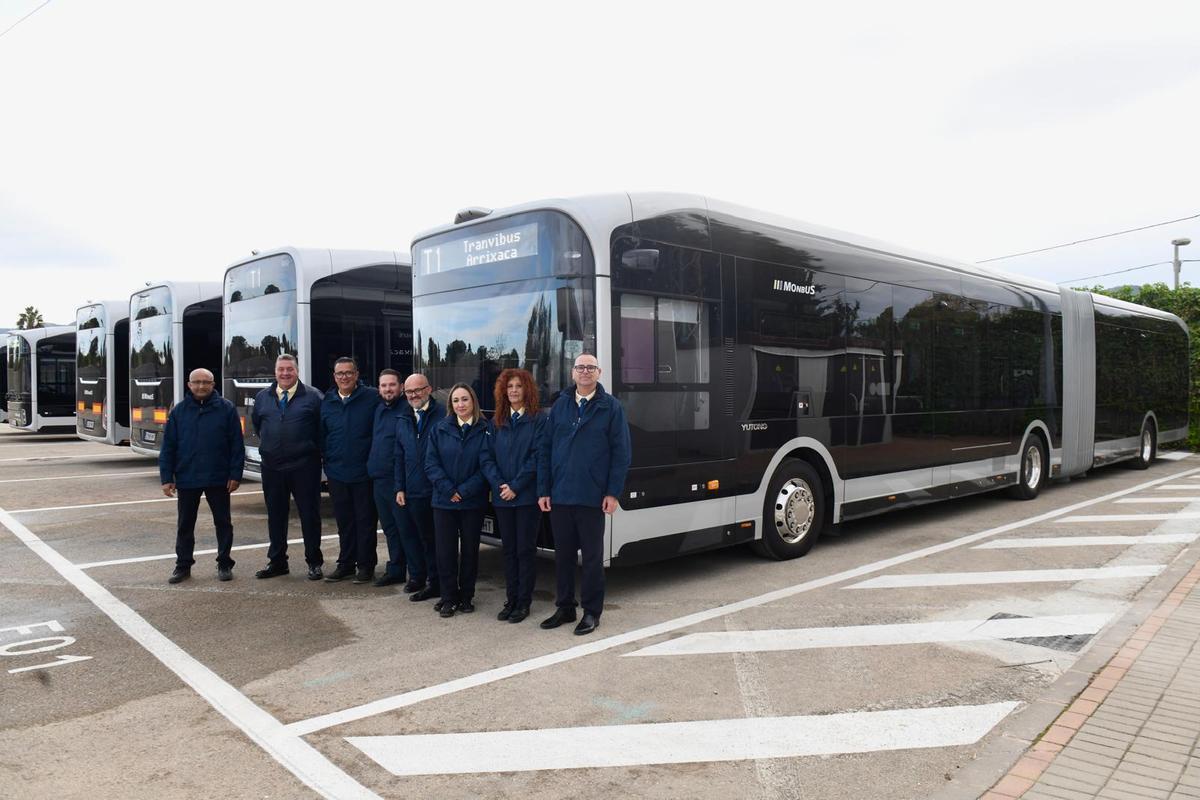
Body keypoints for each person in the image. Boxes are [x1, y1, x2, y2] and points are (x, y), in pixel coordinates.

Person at [538, 354, 631, 636]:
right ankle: (565, 607)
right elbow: (545, 449)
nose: (585, 372)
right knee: (563, 556)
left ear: (599, 373)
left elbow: (621, 454)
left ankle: (592, 612)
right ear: (573, 372)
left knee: (591, 559)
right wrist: (544, 489)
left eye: (591, 367)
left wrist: (613, 493)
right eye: (580, 367)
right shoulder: (560, 405)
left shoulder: (610, 407)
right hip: (561, 495)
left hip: (592, 497)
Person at [158, 368, 244, 584]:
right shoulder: (179, 412)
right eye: (196, 382)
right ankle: (183, 565)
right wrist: (166, 477)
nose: (201, 386)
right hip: (187, 477)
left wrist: (235, 474)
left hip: (219, 477)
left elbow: (236, 445)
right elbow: (168, 447)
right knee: (185, 525)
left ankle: (224, 563)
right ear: (189, 385)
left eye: (206, 382)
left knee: (223, 522)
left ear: (213, 384)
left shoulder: (226, 409)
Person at [252, 353, 325, 580]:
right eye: (281, 369)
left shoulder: (314, 397)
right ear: (275, 372)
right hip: (272, 467)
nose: (285, 373)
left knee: (309, 516)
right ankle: (277, 562)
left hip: (304, 467)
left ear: (297, 371)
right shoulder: (263, 397)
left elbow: (323, 431)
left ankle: (314, 562)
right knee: (276, 516)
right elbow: (258, 425)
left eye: (289, 369)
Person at [482, 368, 545, 624]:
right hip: (502, 497)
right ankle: (511, 599)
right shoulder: (496, 421)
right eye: (510, 387)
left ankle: (524, 601)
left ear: (527, 389)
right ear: (503, 391)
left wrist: (516, 486)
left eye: (519, 386)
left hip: (527, 498)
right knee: (508, 551)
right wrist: (500, 485)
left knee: (525, 550)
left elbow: (537, 456)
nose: (514, 390)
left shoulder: (538, 420)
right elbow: (486, 458)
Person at [424, 382, 491, 618]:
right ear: (450, 405)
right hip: (444, 502)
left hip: (472, 502)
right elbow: (431, 464)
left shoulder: (486, 429)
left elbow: (487, 467)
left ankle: (466, 597)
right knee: (446, 552)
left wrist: (464, 490)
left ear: (473, 401)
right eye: (455, 400)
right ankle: (448, 597)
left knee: (471, 551)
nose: (460, 404)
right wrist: (448, 489)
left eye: (465, 399)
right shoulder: (439, 429)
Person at [319, 357, 380, 584]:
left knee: (365, 522)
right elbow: (322, 435)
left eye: (348, 373)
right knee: (344, 522)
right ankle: (345, 564)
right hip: (337, 473)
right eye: (339, 374)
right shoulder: (328, 400)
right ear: (334, 377)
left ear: (356, 375)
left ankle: (365, 567)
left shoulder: (372, 397)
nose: (344, 377)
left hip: (364, 473)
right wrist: (328, 462)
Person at [394, 373, 441, 601]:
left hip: (437, 490)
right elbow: (399, 455)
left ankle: (438, 582)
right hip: (412, 490)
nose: (413, 395)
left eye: (418, 390)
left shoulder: (442, 414)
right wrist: (399, 487)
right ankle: (422, 578)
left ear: (429, 389)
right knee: (418, 538)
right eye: (409, 392)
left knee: (436, 541)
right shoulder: (403, 417)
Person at [366, 368, 412, 588]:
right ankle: (396, 569)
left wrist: (400, 483)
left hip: (397, 482)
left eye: (392, 385)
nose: (387, 389)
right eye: (383, 385)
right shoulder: (378, 410)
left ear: (401, 387)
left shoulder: (407, 410)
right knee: (390, 529)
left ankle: (416, 573)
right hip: (378, 479)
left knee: (405, 529)